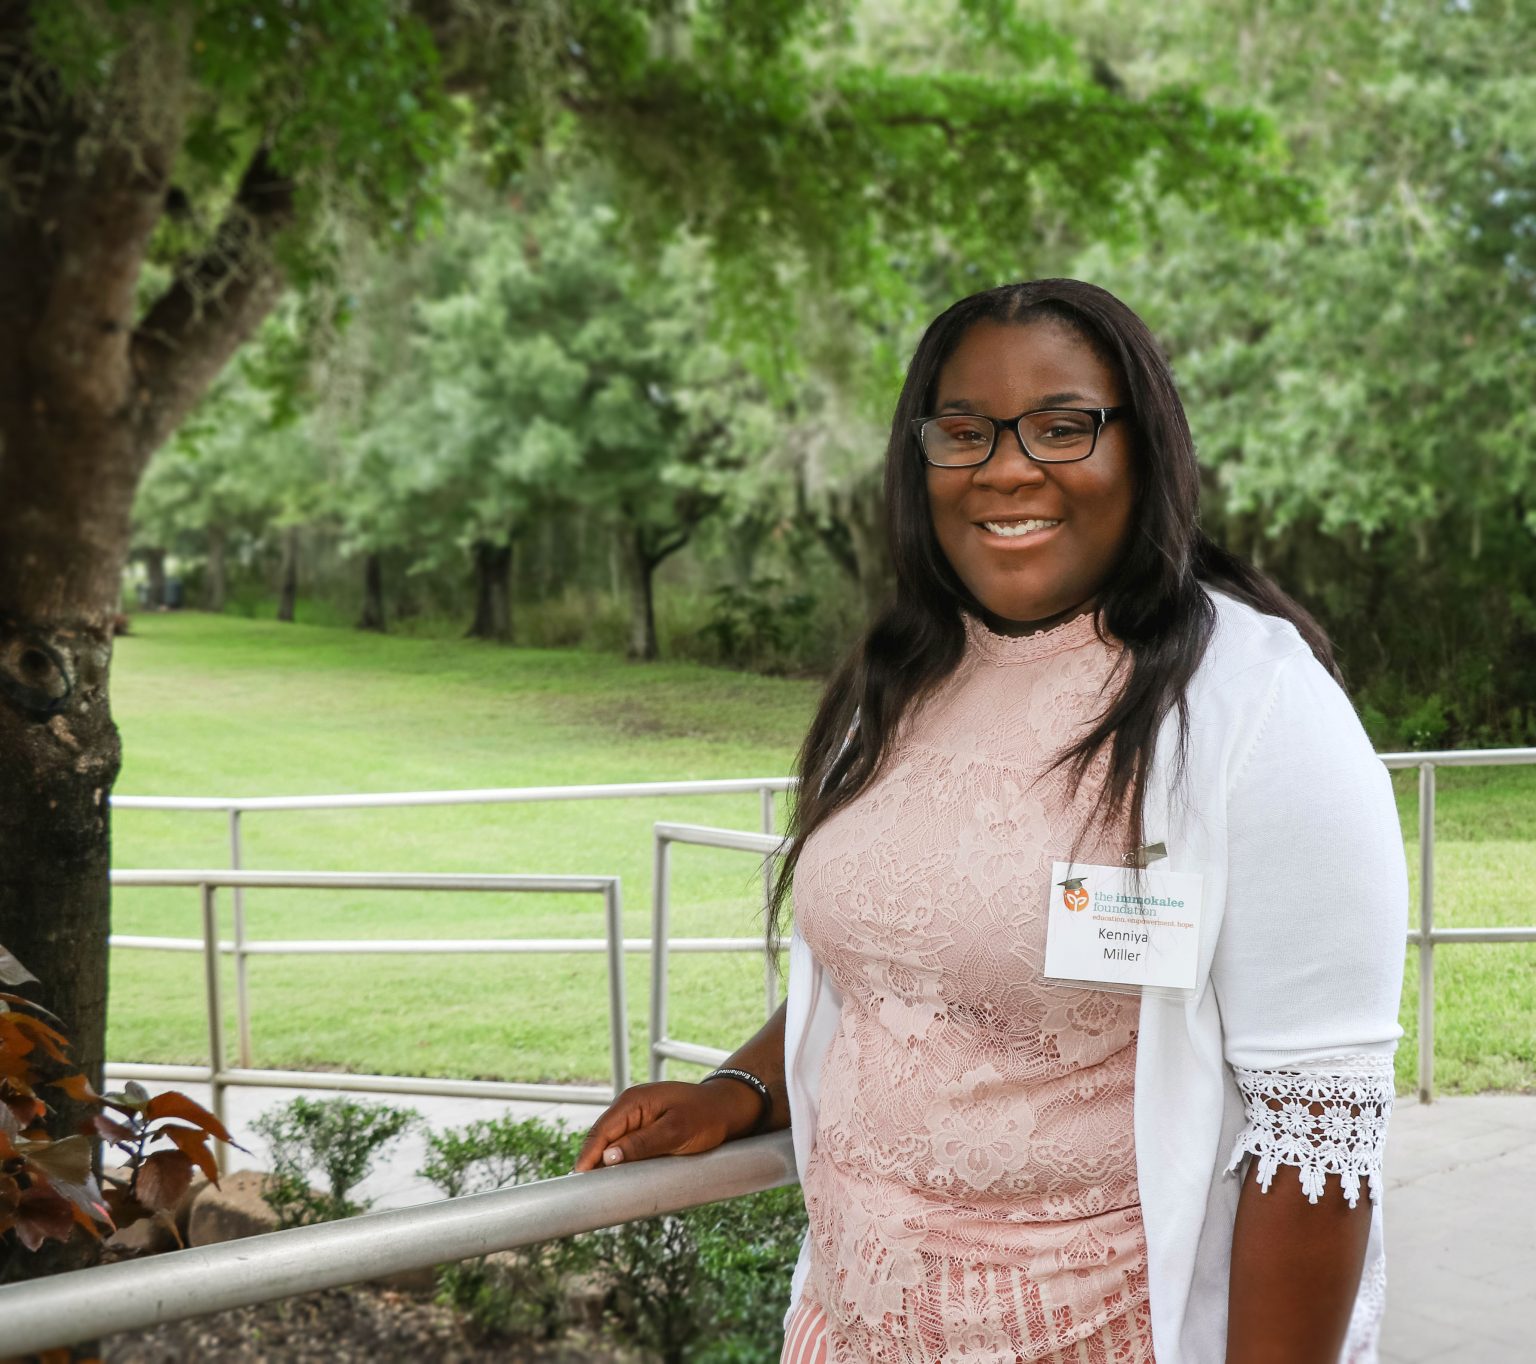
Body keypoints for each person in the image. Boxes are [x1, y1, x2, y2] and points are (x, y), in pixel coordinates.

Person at [574, 280, 1407, 1364]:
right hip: (846, 1327)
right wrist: (738, 1088)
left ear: (1144, 448)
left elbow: (1315, 1131)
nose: (1008, 467)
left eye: (1063, 427)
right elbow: (895, 967)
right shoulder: (906, 675)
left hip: (1103, 1335)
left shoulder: (1254, 705)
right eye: (964, 433)